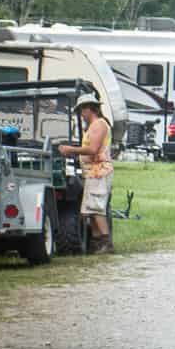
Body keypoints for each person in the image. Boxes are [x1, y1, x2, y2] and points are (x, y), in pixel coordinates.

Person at [58, 99, 115, 255]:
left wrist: (70, 149)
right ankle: (97, 243)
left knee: (96, 209)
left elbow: (93, 149)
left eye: (82, 111)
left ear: (90, 109)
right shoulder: (93, 126)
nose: (81, 115)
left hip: (99, 171)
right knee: (91, 209)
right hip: (93, 172)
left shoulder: (99, 124)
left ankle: (106, 242)